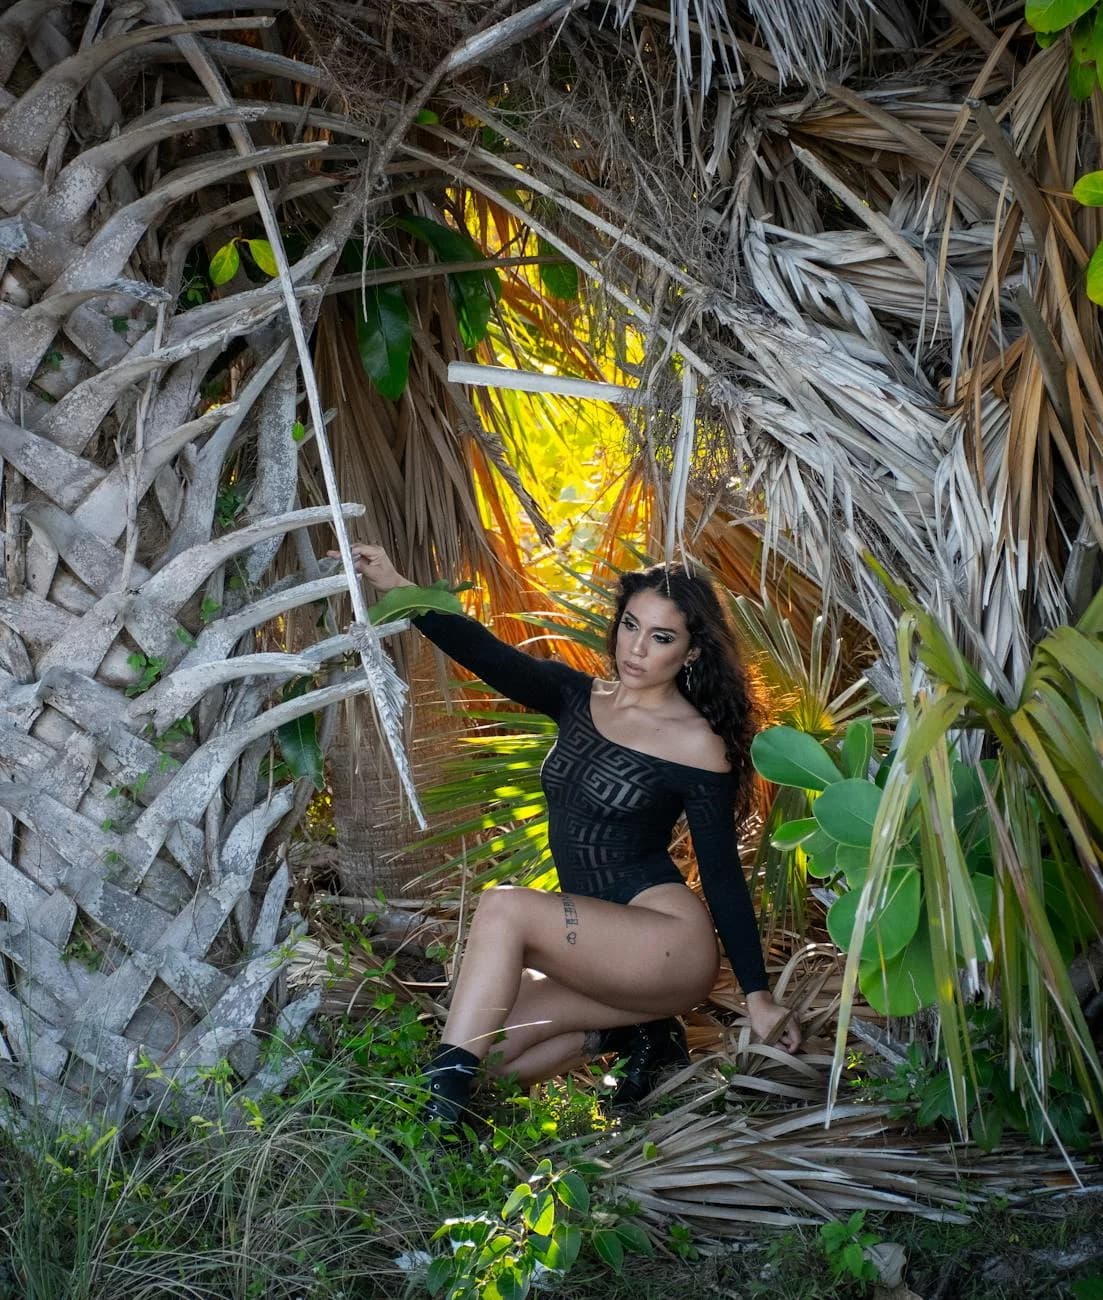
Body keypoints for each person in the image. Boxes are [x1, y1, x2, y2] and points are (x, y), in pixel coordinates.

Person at [333, 544, 800, 1125]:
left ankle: (432, 1119)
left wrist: (756, 994)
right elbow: (485, 653)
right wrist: (400, 585)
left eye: (661, 637)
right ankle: (633, 1040)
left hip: (667, 946)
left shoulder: (697, 744)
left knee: (505, 909)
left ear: (691, 651)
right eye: (631, 625)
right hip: (598, 948)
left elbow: (723, 872)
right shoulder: (576, 697)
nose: (636, 648)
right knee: (490, 1055)